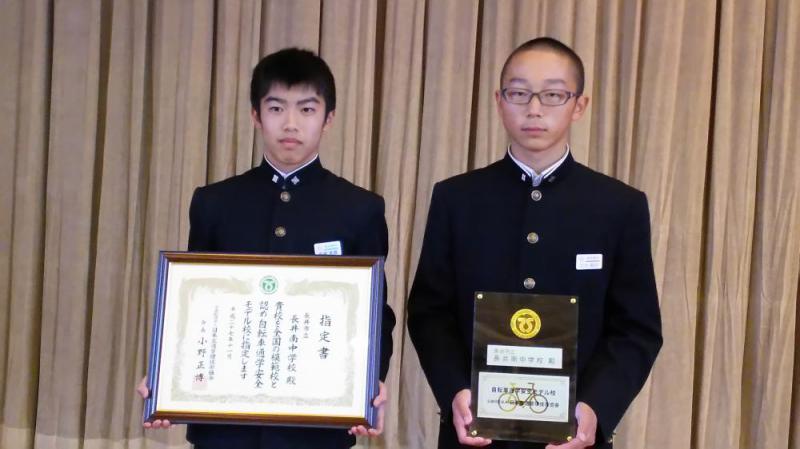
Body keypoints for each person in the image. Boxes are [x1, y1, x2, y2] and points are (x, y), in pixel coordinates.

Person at [407, 37, 662, 449]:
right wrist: (455, 389)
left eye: (554, 95)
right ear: (499, 101)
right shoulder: (457, 198)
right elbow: (429, 311)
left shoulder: (619, 206)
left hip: (574, 437)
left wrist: (596, 407)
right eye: (519, 93)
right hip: (474, 433)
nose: (535, 109)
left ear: (579, 105)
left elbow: (637, 329)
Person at [137, 47, 395, 449]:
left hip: (315, 431)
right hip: (225, 430)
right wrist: (166, 373)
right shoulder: (215, 202)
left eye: (306, 109)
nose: (290, 123)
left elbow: (376, 313)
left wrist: (370, 382)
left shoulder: (359, 209)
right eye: (276, 108)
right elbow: (192, 305)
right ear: (256, 115)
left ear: (328, 118)